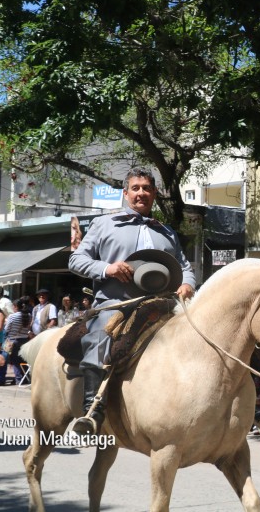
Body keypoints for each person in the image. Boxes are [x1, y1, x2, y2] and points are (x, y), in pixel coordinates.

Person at [68, 166, 196, 435]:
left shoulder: (167, 232)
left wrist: (187, 283)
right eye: (136, 188)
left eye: (147, 188)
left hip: (161, 306)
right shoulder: (104, 224)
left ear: (154, 194)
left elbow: (185, 266)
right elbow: (76, 260)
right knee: (100, 338)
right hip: (115, 304)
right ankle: (93, 410)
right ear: (125, 194)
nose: (141, 193)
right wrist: (108, 269)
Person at [3, 297, 34, 384]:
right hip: (25, 340)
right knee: (23, 360)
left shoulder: (12, 316)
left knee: (15, 361)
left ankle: (19, 379)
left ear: (15, 306)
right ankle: (27, 378)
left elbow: (7, 329)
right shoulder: (29, 315)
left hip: (13, 341)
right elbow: (28, 328)